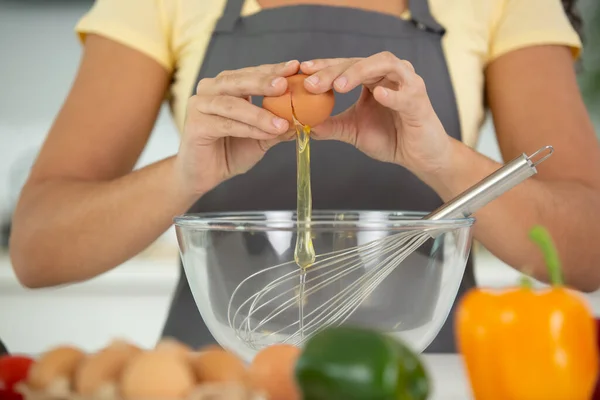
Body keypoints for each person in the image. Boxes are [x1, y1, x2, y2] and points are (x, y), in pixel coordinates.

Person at [8, 0, 600, 352]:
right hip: (216, 374)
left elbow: (589, 249)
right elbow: (39, 249)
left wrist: (438, 157)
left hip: (424, 374)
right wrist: (185, 174)